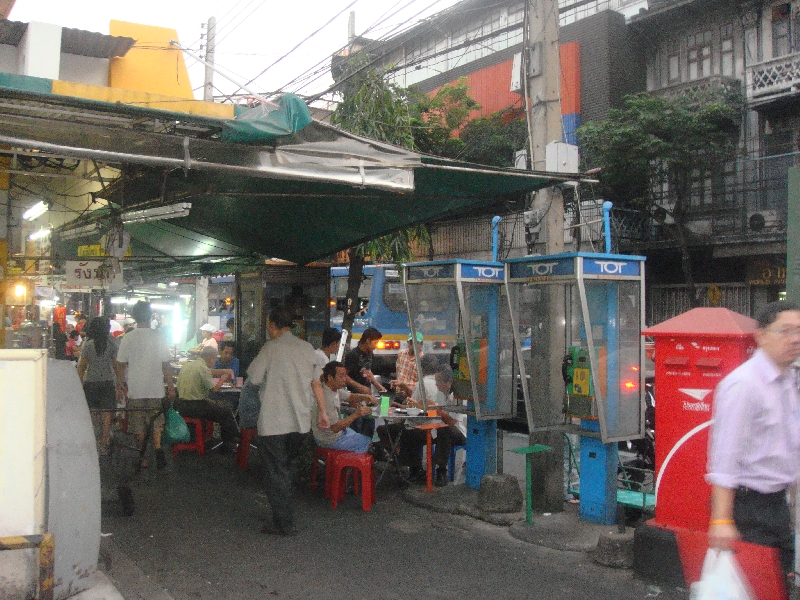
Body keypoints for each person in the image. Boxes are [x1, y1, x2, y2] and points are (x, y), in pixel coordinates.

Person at [707, 300, 800, 590]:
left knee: (777, 587)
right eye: (785, 331)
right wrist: (722, 520)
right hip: (749, 510)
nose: (795, 339)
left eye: (799, 331)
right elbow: (725, 455)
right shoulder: (744, 384)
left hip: (777, 505)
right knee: (754, 589)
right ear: (760, 336)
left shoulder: (788, 379)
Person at [247, 306, 329, 536]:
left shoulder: (270, 348)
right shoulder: (307, 348)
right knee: (287, 467)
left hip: (274, 422)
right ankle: (285, 513)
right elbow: (316, 384)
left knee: (276, 471)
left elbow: (253, 377)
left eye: (269, 327)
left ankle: (283, 522)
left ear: (273, 327)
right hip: (300, 422)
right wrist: (323, 413)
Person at [115, 301, 176, 470]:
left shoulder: (128, 337)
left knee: (139, 424)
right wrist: (170, 386)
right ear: (150, 316)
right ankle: (157, 448)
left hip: (136, 389)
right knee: (156, 422)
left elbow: (120, 364)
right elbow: (166, 364)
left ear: (134, 316)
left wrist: (119, 386)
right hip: (155, 389)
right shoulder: (159, 336)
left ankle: (143, 457)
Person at [176, 346, 239, 453]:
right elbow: (214, 389)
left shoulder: (188, 364)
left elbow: (208, 372)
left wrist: (223, 371)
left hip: (180, 405)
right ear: (212, 359)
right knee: (226, 411)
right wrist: (222, 379)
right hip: (195, 406)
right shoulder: (203, 368)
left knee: (219, 408)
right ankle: (231, 442)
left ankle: (227, 440)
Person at [311, 361, 374, 453]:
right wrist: (356, 414)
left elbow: (350, 396)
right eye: (341, 376)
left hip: (337, 433)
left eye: (345, 376)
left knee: (362, 437)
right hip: (329, 439)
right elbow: (335, 428)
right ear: (330, 377)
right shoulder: (326, 398)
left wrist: (366, 396)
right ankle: (352, 466)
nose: (344, 379)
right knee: (367, 442)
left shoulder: (332, 388)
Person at [78, 317, 120, 454]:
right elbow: (116, 366)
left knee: (92, 413)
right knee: (106, 414)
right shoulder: (112, 344)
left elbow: (82, 367)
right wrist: (120, 384)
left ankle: (93, 441)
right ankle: (103, 442)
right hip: (107, 382)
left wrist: (78, 385)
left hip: (90, 382)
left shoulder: (88, 344)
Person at [344, 326, 387, 395]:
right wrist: (360, 387)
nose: (376, 346)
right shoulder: (353, 355)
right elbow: (344, 376)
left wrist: (378, 386)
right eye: (375, 343)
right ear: (368, 340)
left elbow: (368, 372)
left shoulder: (370, 354)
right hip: (354, 394)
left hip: (367, 393)